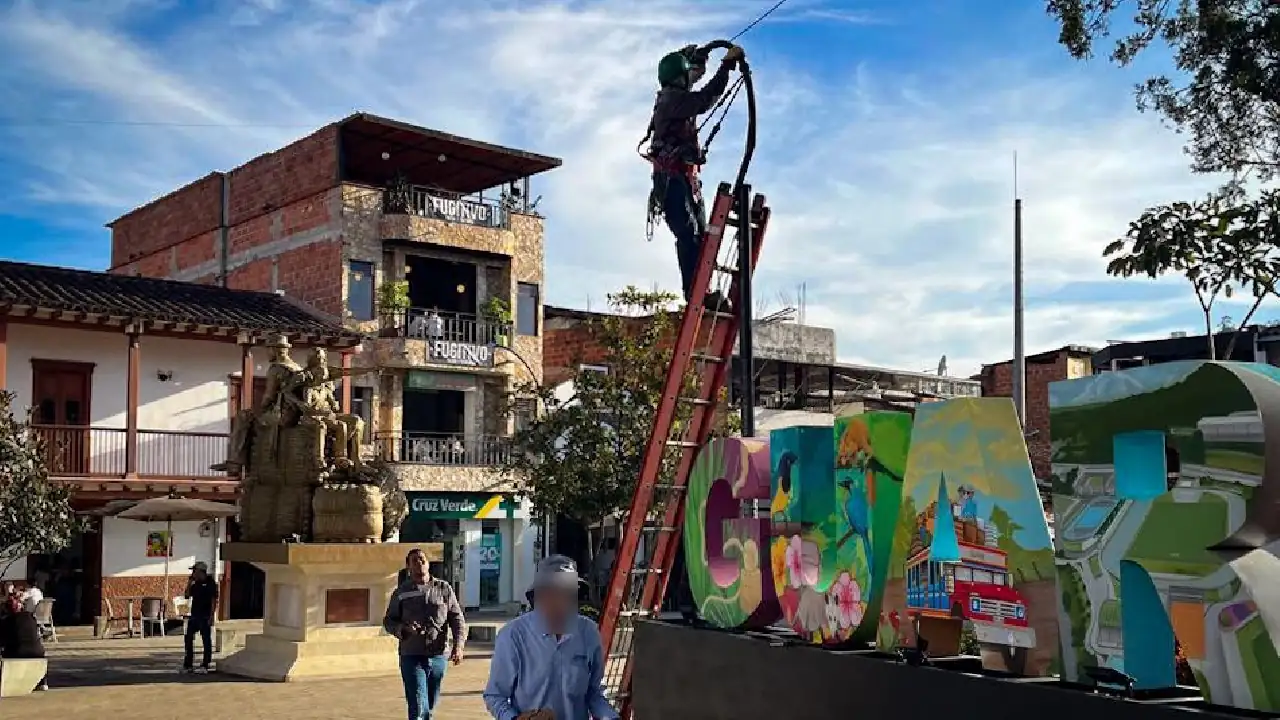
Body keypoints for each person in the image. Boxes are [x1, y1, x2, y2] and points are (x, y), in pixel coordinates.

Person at [645, 43, 746, 311]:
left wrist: (700, 58)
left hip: (686, 180)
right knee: (689, 235)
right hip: (671, 181)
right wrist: (725, 67)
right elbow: (703, 100)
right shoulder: (672, 100)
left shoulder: (676, 93)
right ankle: (695, 294)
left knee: (702, 236)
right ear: (678, 77)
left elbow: (693, 76)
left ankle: (704, 290)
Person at [484, 555, 619, 720]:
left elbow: (594, 693)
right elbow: (495, 696)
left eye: (568, 594)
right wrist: (514, 718)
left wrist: (611, 717)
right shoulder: (513, 636)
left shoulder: (588, 632)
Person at [383, 548, 466, 720]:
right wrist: (403, 629)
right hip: (412, 655)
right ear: (408, 567)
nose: (419, 563)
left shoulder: (444, 589)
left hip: (438, 656)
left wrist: (458, 646)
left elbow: (457, 619)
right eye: (414, 560)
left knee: (430, 703)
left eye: (422, 559)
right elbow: (389, 621)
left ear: (428, 564)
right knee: (419, 705)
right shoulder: (401, 592)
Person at [0, 595, 48, 690]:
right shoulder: (31, 617)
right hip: (38, 652)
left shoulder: (6, 621)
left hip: (18, 652)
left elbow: (2, 641)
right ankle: (43, 682)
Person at [182, 561, 218, 674]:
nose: (193, 573)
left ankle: (206, 664)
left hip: (205, 615)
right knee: (188, 639)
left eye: (194, 571)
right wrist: (189, 582)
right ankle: (188, 664)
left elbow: (214, 601)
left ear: (200, 571)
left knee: (206, 640)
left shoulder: (211, 583)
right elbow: (187, 595)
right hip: (195, 615)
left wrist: (212, 616)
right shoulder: (195, 584)